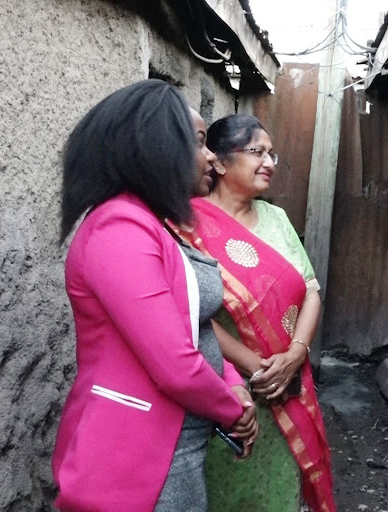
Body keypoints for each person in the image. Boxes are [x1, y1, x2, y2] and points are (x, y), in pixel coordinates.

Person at [52, 80, 258, 511]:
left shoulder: (151, 223)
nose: (210, 157)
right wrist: (233, 409)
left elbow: (195, 324)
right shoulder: (119, 228)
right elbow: (175, 364)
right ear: (156, 147)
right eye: (200, 143)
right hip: (138, 455)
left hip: (176, 449)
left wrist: (232, 383)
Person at [174, 114, 336, 512]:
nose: (268, 162)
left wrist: (296, 354)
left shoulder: (277, 219)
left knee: (278, 492)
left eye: (271, 154)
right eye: (256, 152)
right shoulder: (187, 223)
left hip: (288, 385)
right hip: (230, 391)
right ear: (221, 162)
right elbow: (192, 309)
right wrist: (256, 367)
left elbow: (311, 290)